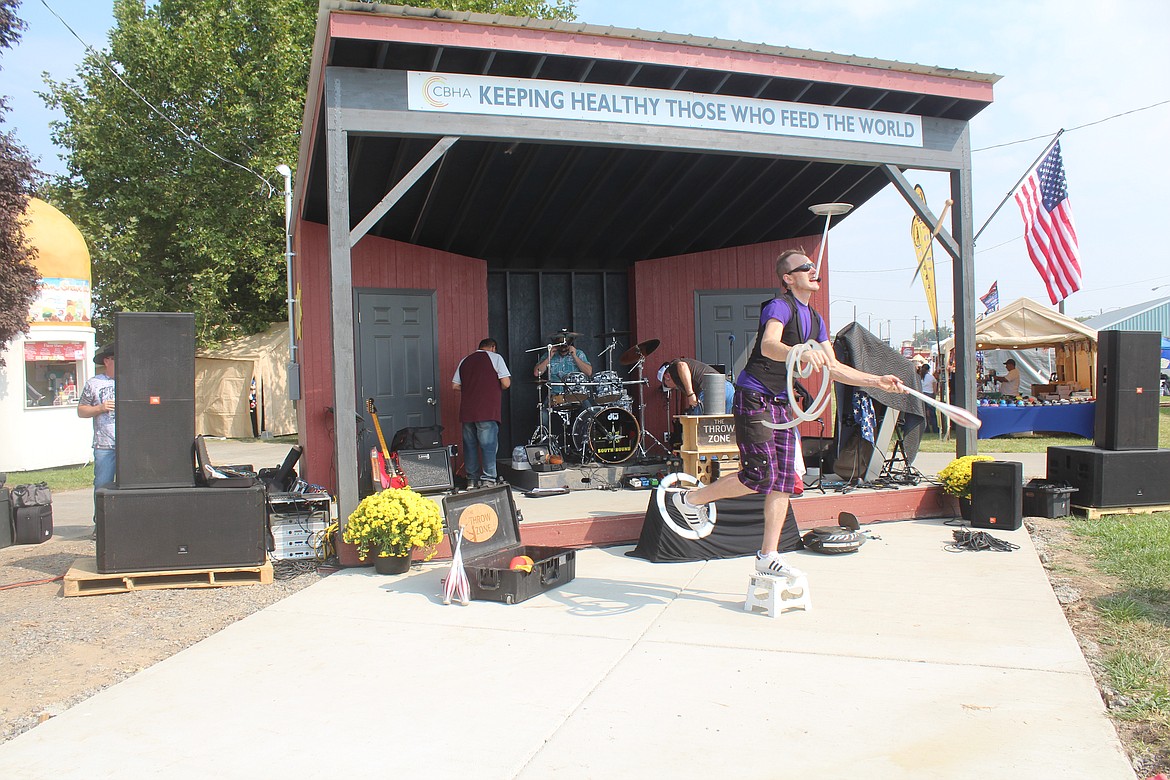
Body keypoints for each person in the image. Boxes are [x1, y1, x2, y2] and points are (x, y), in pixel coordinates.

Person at [670, 249, 905, 579]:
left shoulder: (818, 320)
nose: (813, 269)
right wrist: (800, 351)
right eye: (804, 266)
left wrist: (876, 381)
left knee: (782, 481)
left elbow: (834, 368)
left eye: (812, 265)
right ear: (788, 278)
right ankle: (691, 499)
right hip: (755, 399)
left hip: (782, 405)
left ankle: (768, 556)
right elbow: (769, 345)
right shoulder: (779, 306)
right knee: (760, 476)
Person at [452, 338, 511, 488]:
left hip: (467, 410)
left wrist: (472, 389)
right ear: (493, 347)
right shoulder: (496, 358)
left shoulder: (465, 360)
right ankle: (488, 479)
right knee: (488, 445)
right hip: (487, 410)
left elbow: (455, 385)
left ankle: (471, 480)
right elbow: (506, 383)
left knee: (470, 446)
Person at [77, 343, 117, 505]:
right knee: (102, 484)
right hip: (105, 445)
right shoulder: (94, 383)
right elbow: (81, 411)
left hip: (130, 445)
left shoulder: (133, 381)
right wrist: (100, 408)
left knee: (131, 486)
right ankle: (100, 524)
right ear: (107, 361)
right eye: (116, 358)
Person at [658, 358, 734, 415]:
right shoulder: (680, 376)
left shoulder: (673, 366)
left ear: (667, 376)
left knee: (700, 428)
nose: (670, 388)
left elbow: (682, 365)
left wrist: (690, 394)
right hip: (727, 387)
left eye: (666, 385)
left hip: (710, 391)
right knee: (724, 427)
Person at [919, 362, 939, 433]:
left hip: (922, 394)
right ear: (929, 370)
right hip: (930, 395)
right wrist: (934, 394)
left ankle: (926, 428)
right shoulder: (931, 377)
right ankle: (935, 428)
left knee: (924, 413)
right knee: (932, 413)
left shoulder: (920, 377)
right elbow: (934, 386)